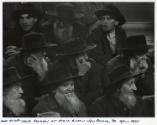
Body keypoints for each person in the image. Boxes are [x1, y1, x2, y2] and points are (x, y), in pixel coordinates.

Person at [5, 32, 57, 116]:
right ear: (29, 56)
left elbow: (52, 93)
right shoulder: (11, 67)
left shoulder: (44, 63)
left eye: (44, 50)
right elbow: (13, 99)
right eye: (41, 51)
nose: (44, 54)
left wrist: (42, 75)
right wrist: (36, 100)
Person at [89, 58, 154, 117]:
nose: (134, 88)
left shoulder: (140, 104)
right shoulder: (99, 107)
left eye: (133, 83)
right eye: (130, 83)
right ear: (118, 88)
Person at [54, 37, 102, 107]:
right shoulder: (61, 70)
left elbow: (96, 93)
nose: (86, 57)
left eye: (86, 53)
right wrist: (81, 75)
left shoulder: (92, 66)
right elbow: (69, 97)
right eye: (82, 54)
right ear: (71, 58)